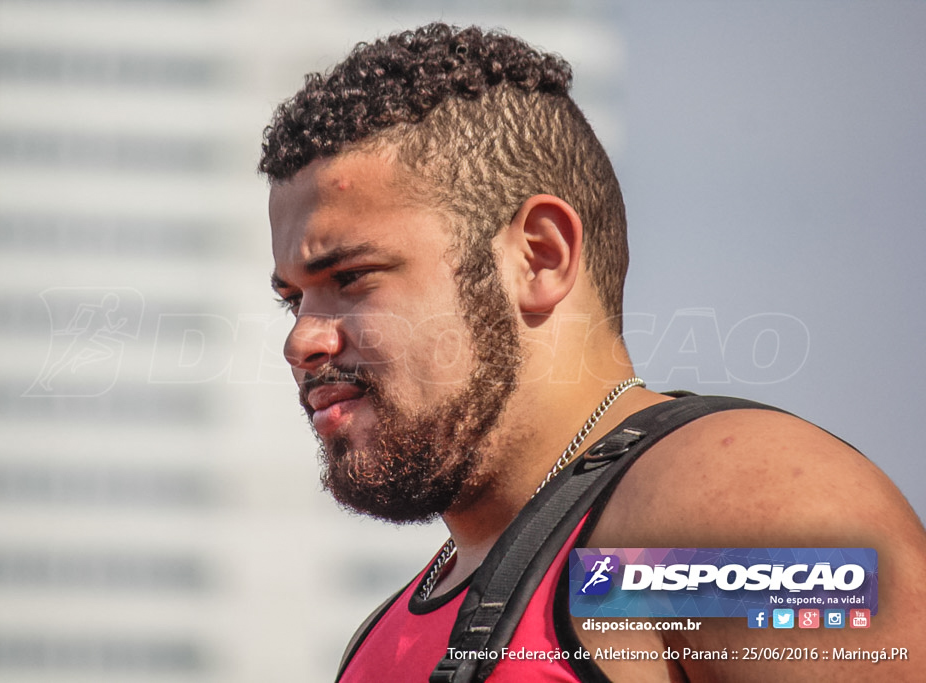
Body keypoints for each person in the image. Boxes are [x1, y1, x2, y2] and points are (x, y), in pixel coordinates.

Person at [260, 23, 926, 682]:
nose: (303, 339)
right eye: (293, 298)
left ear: (539, 258)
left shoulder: (722, 522)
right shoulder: (385, 637)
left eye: (351, 278)